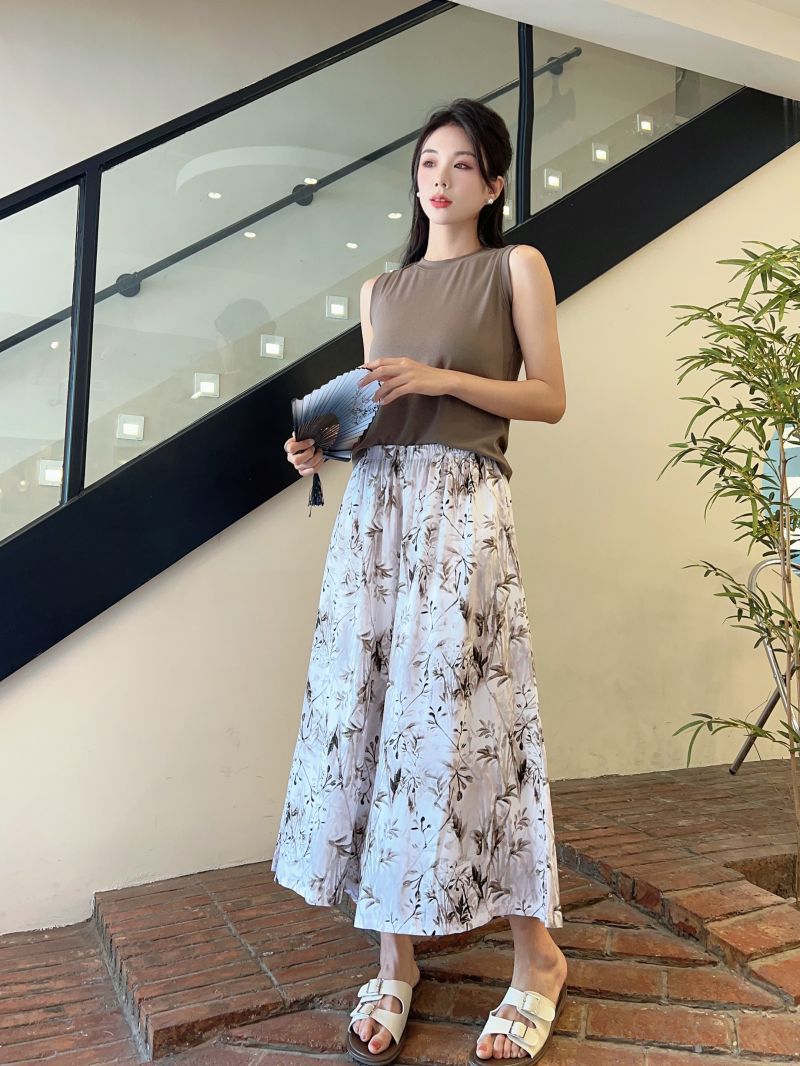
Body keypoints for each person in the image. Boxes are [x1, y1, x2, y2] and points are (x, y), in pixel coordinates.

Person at [273, 98, 568, 1065]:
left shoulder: (514, 267)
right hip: (378, 512)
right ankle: (393, 955)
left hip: (464, 504)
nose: (439, 178)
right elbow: (378, 417)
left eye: (462, 163)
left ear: (493, 182)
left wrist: (443, 380)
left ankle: (538, 959)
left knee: (477, 721)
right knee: (371, 719)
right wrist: (323, 448)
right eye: (428, 161)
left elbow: (549, 397)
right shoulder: (382, 290)